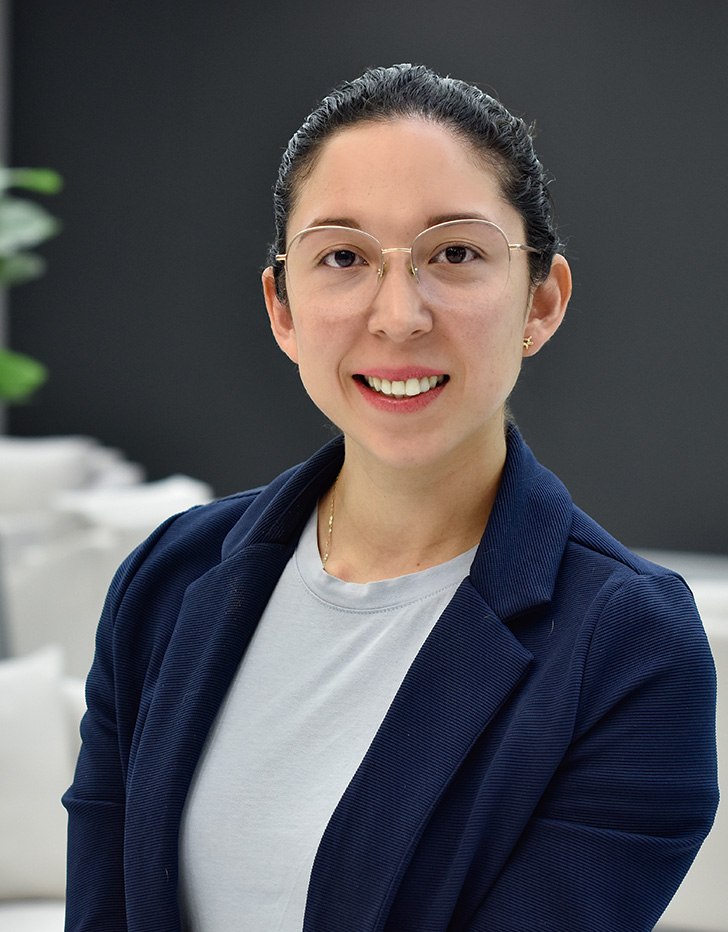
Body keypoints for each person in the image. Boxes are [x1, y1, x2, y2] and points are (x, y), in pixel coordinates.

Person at [63, 64, 718, 932]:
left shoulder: (632, 649)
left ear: (543, 298)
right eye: (342, 257)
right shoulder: (165, 582)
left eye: (456, 252)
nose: (399, 314)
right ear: (283, 307)